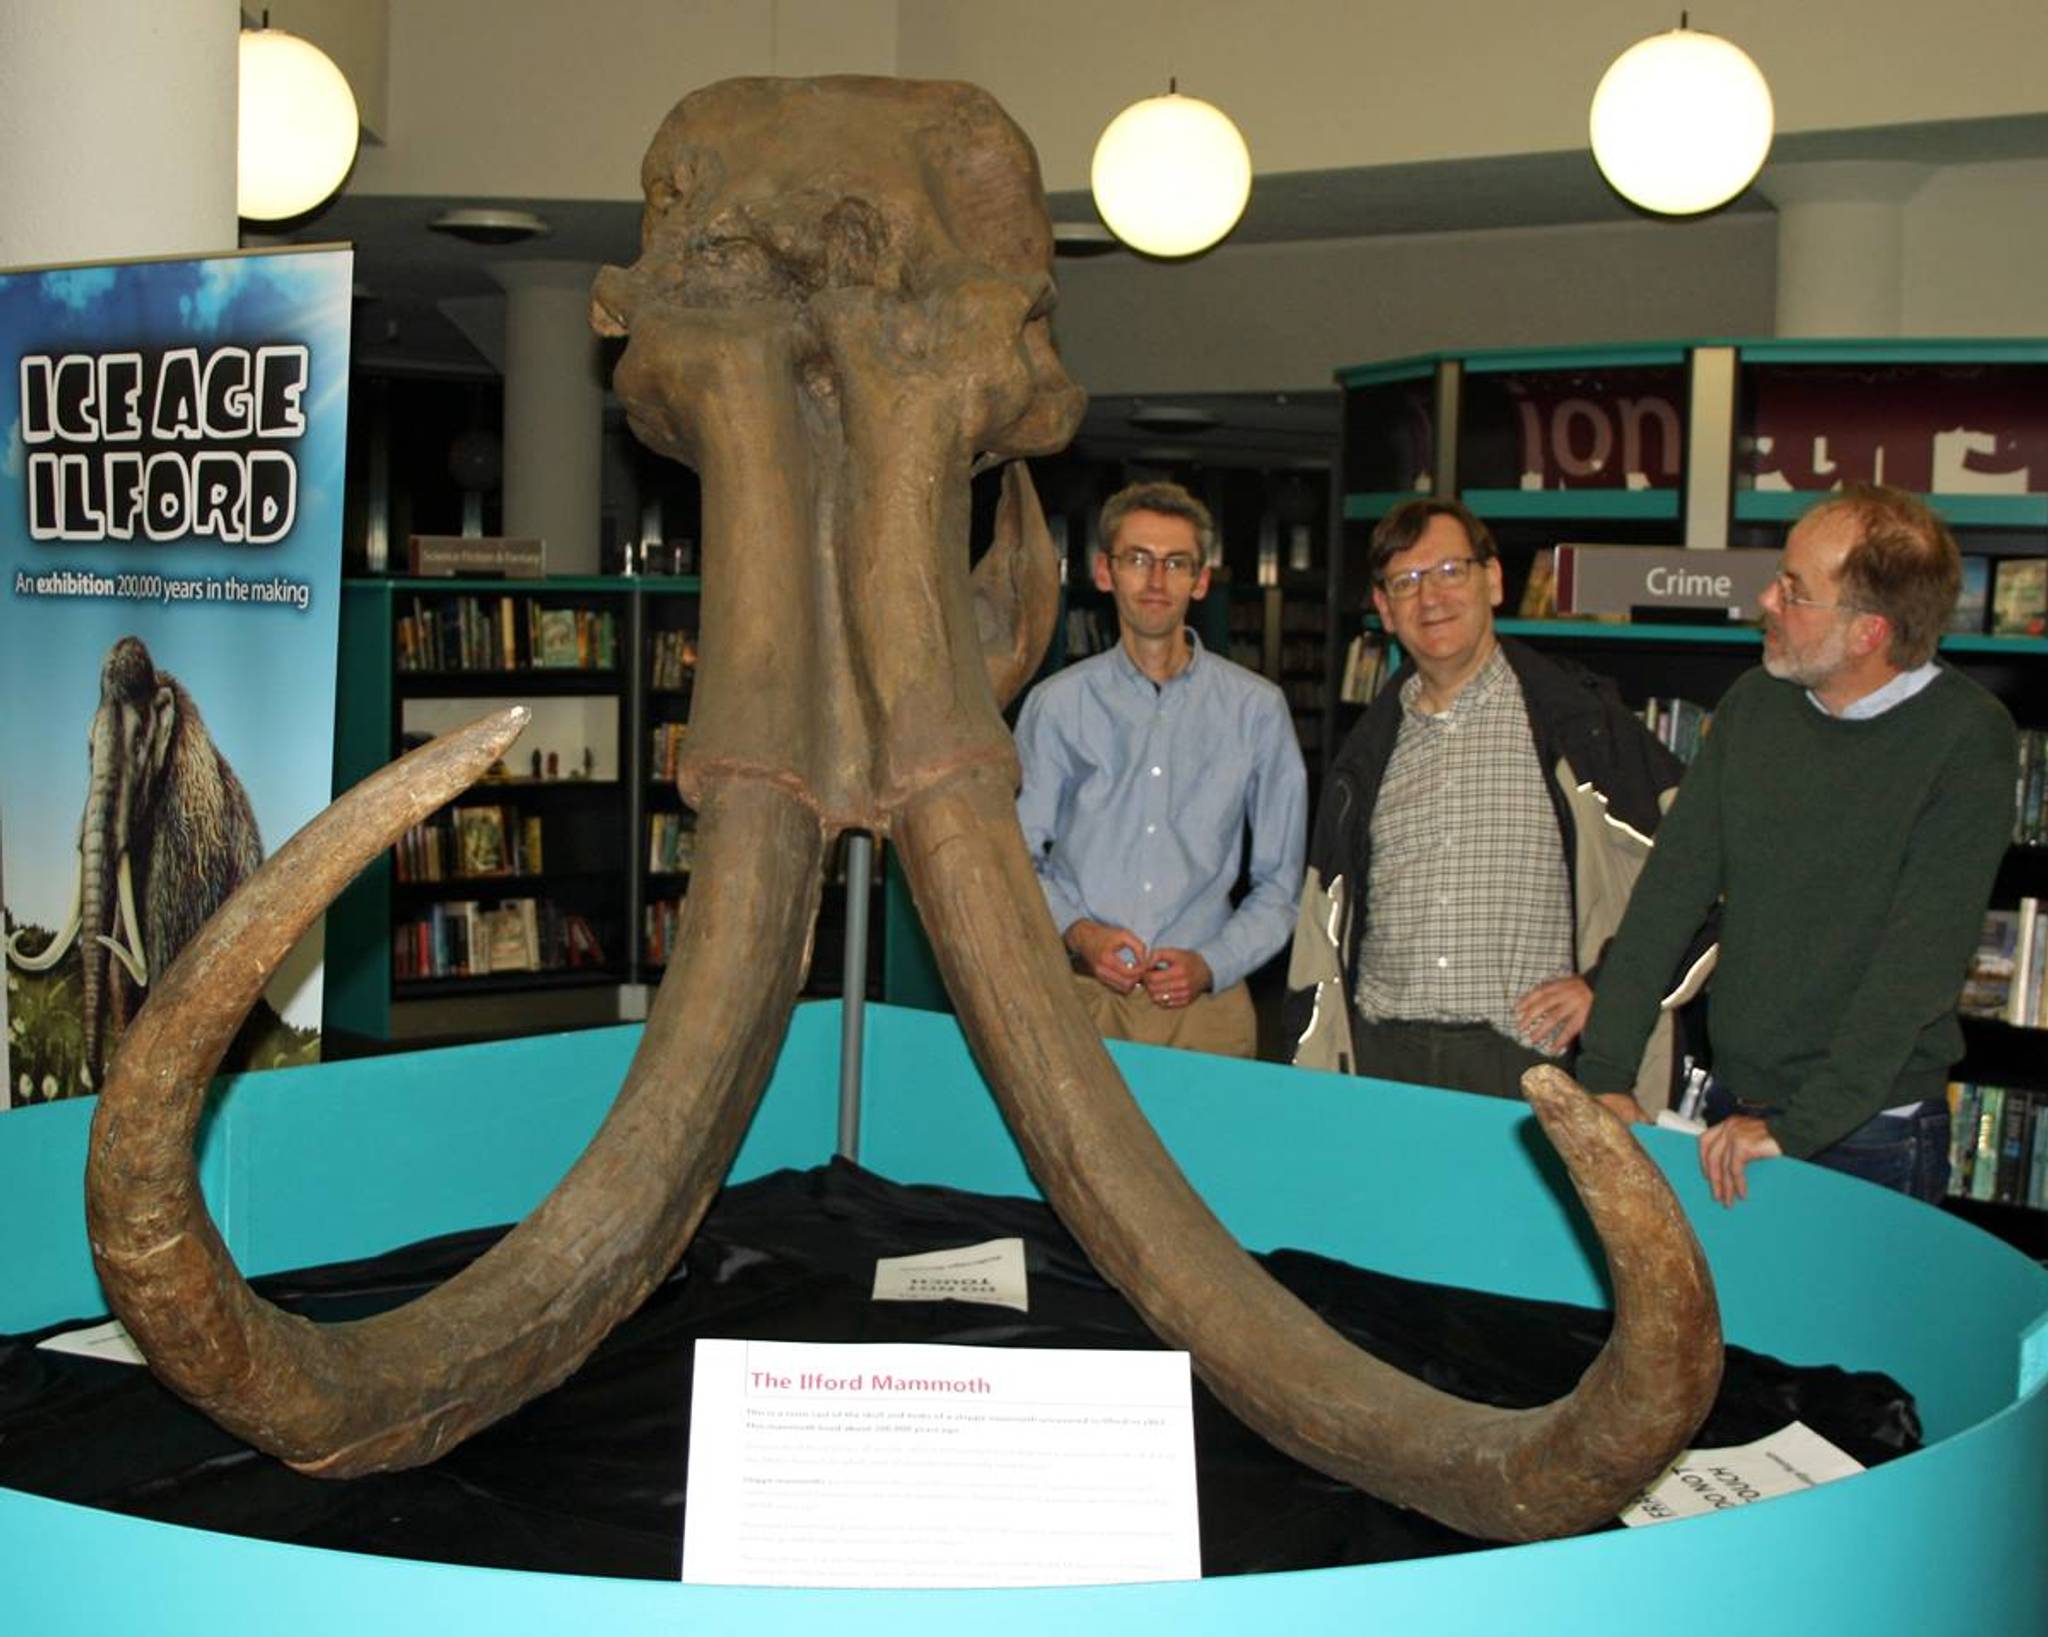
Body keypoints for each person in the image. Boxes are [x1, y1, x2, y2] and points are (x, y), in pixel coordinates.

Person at [1576, 485, 2018, 1207]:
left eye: (1794, 590)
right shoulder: (1755, 705)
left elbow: (1915, 971)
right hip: (1730, 1109)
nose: (1766, 601)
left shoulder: (1967, 739)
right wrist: (1604, 1072)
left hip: (1869, 1132)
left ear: (1869, 632)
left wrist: (1796, 1127)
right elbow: (1669, 893)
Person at [1284, 497, 1700, 1104]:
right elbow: (1321, 931)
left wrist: (1610, 987)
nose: (1431, 598)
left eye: (1451, 571)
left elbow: (1702, 872)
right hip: (1382, 1064)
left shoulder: (1583, 729)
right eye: (1406, 582)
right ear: (1383, 610)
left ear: (1494, 580)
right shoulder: (1362, 758)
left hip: (1525, 1068)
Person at [1015, 480, 1307, 1058]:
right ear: (1105, 572)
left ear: (1200, 580)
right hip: (1079, 996)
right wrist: (1081, 933)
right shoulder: (1056, 706)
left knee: (1207, 1152)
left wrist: (1212, 963)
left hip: (1206, 1010)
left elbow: (1281, 883)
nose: (1155, 580)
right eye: (1138, 560)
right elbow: (1016, 854)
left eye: (1176, 564)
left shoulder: (1257, 709)